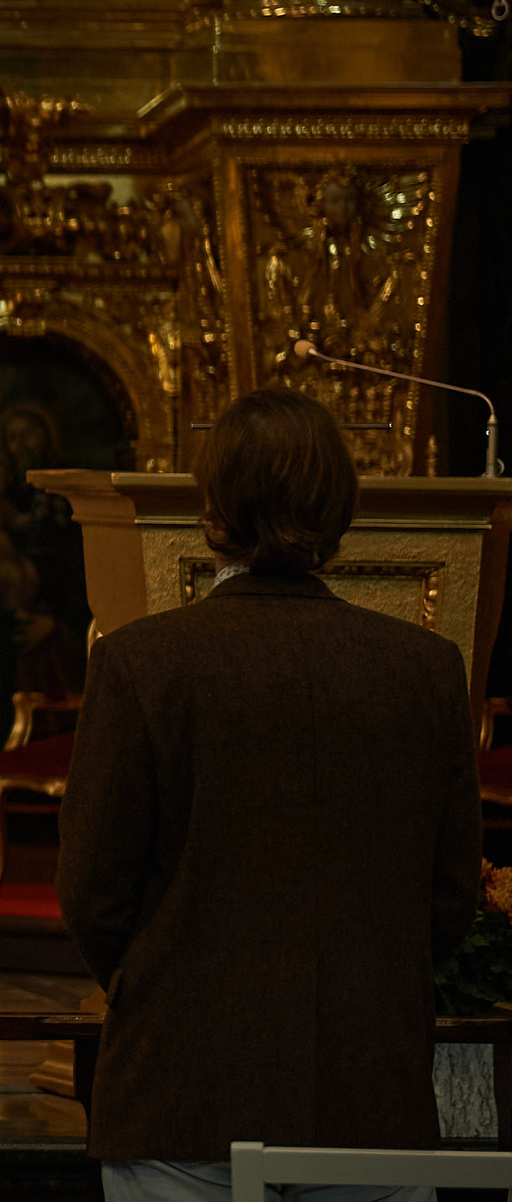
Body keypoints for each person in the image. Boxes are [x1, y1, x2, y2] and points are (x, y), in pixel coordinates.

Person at [57, 388, 482, 1202]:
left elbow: (92, 892)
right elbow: (451, 893)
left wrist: (177, 979)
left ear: (213, 511)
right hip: (368, 1092)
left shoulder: (144, 664)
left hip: (184, 1087)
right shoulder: (423, 672)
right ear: (340, 508)